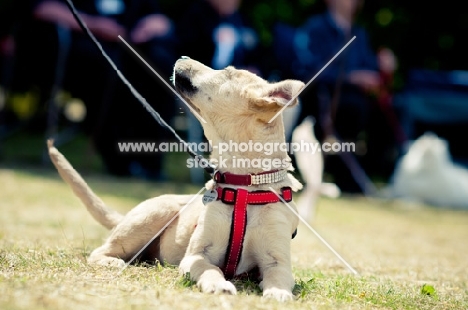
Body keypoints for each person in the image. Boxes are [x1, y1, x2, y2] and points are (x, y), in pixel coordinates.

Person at [24, 0, 177, 178]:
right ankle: (119, 159)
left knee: (160, 67)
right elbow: (41, 8)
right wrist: (93, 25)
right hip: (84, 49)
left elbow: (159, 18)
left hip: (132, 46)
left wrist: (152, 26)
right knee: (105, 70)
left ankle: (151, 162)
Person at [289, 0, 398, 193]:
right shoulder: (315, 29)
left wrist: (382, 67)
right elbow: (308, 71)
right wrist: (351, 78)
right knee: (352, 110)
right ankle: (344, 175)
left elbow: (370, 67)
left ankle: (374, 171)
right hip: (324, 98)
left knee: (394, 110)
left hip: (360, 99)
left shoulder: (359, 33)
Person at [175, 0, 261, 183]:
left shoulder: (242, 21)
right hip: (206, 90)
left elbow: (257, 54)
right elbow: (186, 61)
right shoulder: (194, 18)